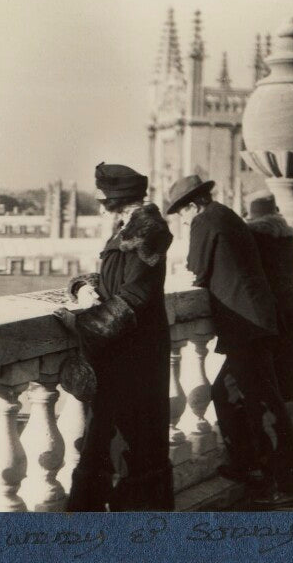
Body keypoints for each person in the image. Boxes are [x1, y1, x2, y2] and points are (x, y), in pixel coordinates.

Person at [167, 174, 293, 507]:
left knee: (265, 406)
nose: (183, 220)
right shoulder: (224, 215)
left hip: (246, 326)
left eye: (182, 213)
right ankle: (249, 466)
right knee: (223, 392)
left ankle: (290, 485)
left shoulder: (205, 221)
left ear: (192, 205)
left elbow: (196, 268)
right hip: (255, 323)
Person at [53, 163, 174, 512]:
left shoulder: (147, 232)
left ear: (116, 198)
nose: (99, 200)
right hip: (123, 351)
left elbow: (135, 297)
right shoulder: (130, 228)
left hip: (135, 353)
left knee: (130, 441)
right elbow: (112, 278)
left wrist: (83, 326)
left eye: (103, 195)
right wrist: (83, 286)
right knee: (109, 437)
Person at [244, 191, 293, 436]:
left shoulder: (252, 237)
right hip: (292, 310)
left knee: (271, 383)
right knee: (292, 381)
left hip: (270, 315)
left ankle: (279, 452)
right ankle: (292, 444)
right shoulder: (288, 237)